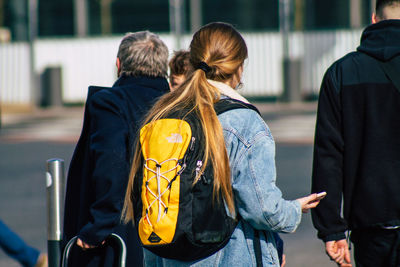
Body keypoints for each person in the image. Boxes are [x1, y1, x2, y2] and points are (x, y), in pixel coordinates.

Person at [122, 22, 321, 267]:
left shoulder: (162, 114)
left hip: (168, 258)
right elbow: (262, 210)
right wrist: (293, 210)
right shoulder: (244, 121)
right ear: (239, 67)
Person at [62, 31, 170, 266]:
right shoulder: (175, 103)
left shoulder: (111, 103)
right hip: (172, 231)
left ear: (119, 65)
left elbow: (110, 163)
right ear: (164, 68)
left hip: (125, 234)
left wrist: (99, 225)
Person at [311, 1, 400, 266]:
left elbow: (328, 156)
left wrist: (332, 229)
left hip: (369, 228)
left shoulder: (341, 73)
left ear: (373, 19)